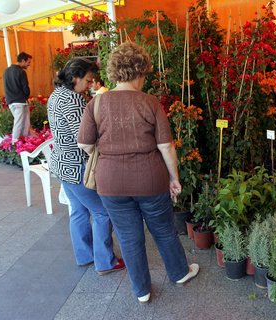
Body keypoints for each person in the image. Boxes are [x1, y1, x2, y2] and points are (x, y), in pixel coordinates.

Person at [77, 42, 199, 305]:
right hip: (150, 179)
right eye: (145, 74)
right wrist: (174, 178)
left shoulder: (96, 104)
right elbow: (165, 146)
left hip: (110, 183)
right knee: (164, 230)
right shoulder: (150, 102)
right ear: (139, 72)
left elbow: (85, 145)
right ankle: (179, 273)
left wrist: (109, 157)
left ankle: (141, 290)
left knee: (128, 237)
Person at [47, 57, 125, 275]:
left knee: (79, 211)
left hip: (62, 165)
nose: (90, 85)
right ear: (74, 78)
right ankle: (105, 262)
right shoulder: (72, 99)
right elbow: (83, 138)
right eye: (88, 80)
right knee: (102, 212)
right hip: (77, 167)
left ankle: (85, 256)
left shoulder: (56, 95)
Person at [3, 52, 34, 142]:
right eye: (28, 62)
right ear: (23, 60)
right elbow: (25, 88)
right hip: (20, 102)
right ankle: (16, 144)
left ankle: (27, 141)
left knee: (23, 123)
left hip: (10, 102)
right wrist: (27, 94)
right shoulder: (21, 72)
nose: (29, 64)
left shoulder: (6, 71)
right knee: (20, 124)